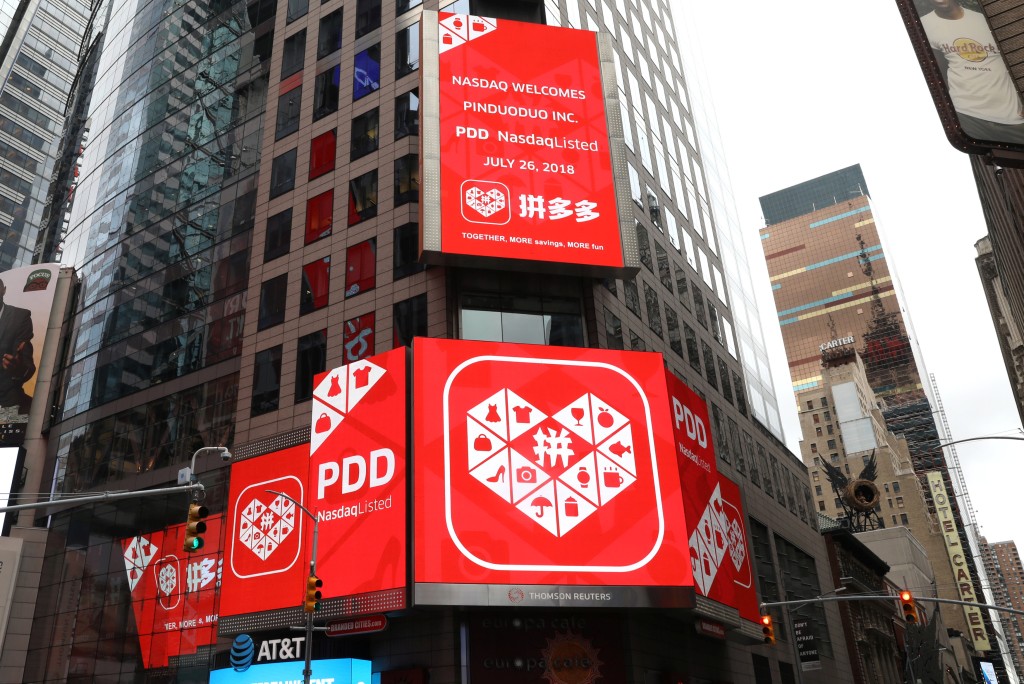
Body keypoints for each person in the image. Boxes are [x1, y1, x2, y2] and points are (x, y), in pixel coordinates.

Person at [920, 0, 1024, 144]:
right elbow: (938, 73)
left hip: (1013, 115)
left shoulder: (983, 20)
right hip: (966, 115)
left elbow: (1016, 57)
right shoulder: (925, 25)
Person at [0, 278, 35, 412]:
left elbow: (26, 364)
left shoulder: (20, 317)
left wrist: (17, 369)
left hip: (8, 402)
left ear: (4, 290)